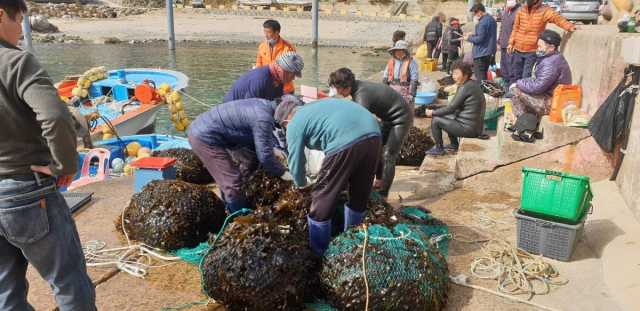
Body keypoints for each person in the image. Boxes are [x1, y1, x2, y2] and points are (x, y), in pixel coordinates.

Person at [0, 1, 97, 309]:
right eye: (20, 21)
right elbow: (55, 116)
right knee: (69, 283)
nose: (20, 31)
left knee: (6, 293)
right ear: (1, 14)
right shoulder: (16, 62)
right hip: (25, 191)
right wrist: (64, 164)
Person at [277, 97, 382, 256]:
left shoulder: (294, 123)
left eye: (284, 126)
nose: (285, 129)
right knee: (359, 194)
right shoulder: (314, 107)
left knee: (321, 198)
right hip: (374, 134)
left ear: (286, 119)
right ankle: (354, 245)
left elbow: (296, 160)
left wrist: (301, 183)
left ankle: (321, 254)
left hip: (345, 141)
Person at [188, 95, 303, 213]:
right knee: (231, 181)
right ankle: (237, 217)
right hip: (203, 136)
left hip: (207, 128)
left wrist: (272, 148)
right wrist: (284, 173)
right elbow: (265, 156)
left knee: (226, 178)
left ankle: (228, 208)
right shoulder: (264, 118)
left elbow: (257, 133)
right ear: (287, 116)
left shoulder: (266, 107)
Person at [328, 68, 414, 202]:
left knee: (388, 155)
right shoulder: (358, 88)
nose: (338, 91)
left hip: (401, 118)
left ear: (347, 86)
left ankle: (383, 195)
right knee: (378, 149)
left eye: (339, 88)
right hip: (387, 118)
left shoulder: (361, 94)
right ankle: (379, 181)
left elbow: (359, 124)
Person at [425, 62, 486, 155]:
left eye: (457, 73)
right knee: (449, 116)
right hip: (475, 127)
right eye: (453, 73)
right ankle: (454, 143)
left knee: (436, 120)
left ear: (465, 74)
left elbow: (451, 108)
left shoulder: (465, 87)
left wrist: (433, 112)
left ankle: (439, 148)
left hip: (468, 129)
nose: (454, 76)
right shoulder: (470, 84)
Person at [507, 0, 577, 81]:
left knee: (526, 76)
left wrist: (569, 26)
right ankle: (516, 92)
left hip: (532, 50)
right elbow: (516, 27)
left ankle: (524, 92)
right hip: (518, 48)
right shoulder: (521, 9)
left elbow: (557, 19)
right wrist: (511, 43)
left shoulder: (545, 10)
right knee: (516, 74)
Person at [509, 30, 571, 117]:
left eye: (540, 47)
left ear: (551, 47)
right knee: (520, 88)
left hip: (554, 102)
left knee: (515, 91)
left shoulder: (550, 63)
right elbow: (539, 81)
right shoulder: (554, 58)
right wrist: (521, 82)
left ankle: (524, 124)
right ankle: (526, 123)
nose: (537, 49)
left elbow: (538, 87)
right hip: (551, 96)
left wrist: (518, 84)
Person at [223, 51, 304, 103]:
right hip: (230, 118)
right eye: (293, 74)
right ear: (282, 70)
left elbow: (276, 105)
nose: (293, 78)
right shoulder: (260, 80)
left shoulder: (279, 82)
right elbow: (248, 109)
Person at [256, 19, 297, 94]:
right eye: (265, 31)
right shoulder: (262, 46)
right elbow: (259, 64)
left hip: (285, 90)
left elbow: (292, 71)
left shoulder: (288, 48)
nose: (266, 35)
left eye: (269, 32)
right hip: (267, 89)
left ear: (277, 33)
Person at [383, 40, 419, 112]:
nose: (397, 52)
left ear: (404, 51)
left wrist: (412, 93)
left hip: (405, 89)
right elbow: (386, 75)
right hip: (392, 88)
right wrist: (383, 90)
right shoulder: (392, 61)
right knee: (392, 109)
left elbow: (414, 78)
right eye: (396, 50)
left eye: (400, 50)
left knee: (406, 110)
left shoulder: (411, 62)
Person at [465, 3, 498, 82]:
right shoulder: (492, 20)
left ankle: (481, 92)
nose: (475, 16)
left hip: (481, 52)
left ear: (479, 12)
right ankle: (484, 90)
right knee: (484, 74)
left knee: (480, 76)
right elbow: (487, 34)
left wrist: (468, 38)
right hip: (489, 51)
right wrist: (475, 34)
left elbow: (479, 39)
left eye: (475, 13)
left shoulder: (482, 22)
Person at [498, 0, 521, 97]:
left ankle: (511, 89)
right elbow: (502, 28)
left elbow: (518, 30)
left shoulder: (519, 11)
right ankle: (506, 87)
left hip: (512, 45)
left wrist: (513, 43)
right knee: (504, 68)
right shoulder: (505, 13)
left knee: (511, 67)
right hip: (503, 44)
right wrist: (498, 42)